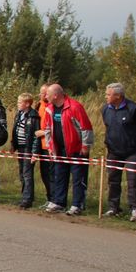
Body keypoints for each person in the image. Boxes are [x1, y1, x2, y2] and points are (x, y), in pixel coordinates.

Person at [42, 84, 94, 215]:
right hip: (59, 149)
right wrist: (49, 146)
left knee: (78, 178)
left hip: (76, 149)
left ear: (55, 95)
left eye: (47, 94)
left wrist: (85, 145)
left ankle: (77, 204)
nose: (45, 96)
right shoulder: (49, 109)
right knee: (59, 176)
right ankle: (59, 202)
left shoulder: (74, 107)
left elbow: (85, 127)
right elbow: (47, 129)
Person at [102, 83, 136, 222]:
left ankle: (135, 209)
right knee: (112, 180)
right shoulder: (105, 109)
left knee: (133, 181)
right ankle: (113, 208)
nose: (106, 96)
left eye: (108, 94)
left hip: (133, 151)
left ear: (118, 96)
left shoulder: (134, 109)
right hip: (114, 151)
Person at [11, 93, 41, 208]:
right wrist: (13, 144)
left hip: (28, 148)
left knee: (27, 174)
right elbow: (15, 129)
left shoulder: (34, 116)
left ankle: (27, 199)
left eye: (20, 102)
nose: (18, 104)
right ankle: (25, 196)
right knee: (21, 174)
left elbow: (35, 136)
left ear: (27, 104)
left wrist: (34, 152)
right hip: (20, 147)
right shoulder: (19, 114)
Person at [33, 84, 53, 203]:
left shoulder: (54, 106)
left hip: (51, 146)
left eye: (46, 93)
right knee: (44, 174)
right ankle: (49, 197)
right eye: (42, 93)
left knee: (53, 175)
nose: (44, 95)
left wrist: (44, 133)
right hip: (40, 145)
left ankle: (55, 199)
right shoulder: (38, 106)